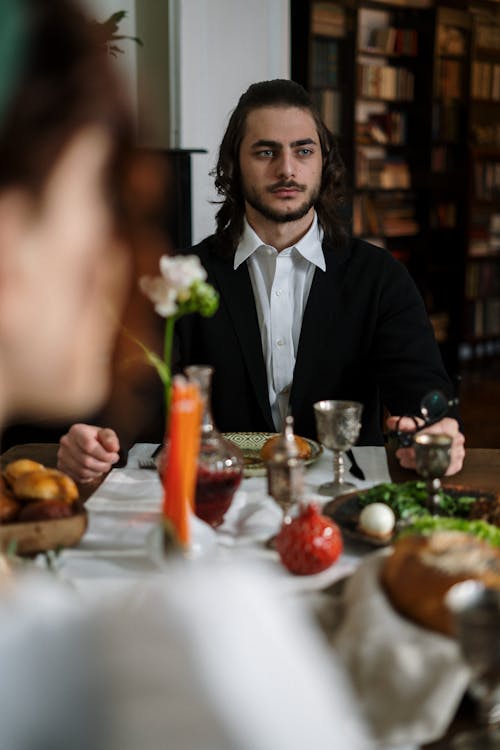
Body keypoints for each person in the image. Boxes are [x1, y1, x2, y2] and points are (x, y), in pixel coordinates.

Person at [58, 78, 465, 483]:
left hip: (343, 498)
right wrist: (96, 438)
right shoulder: (181, 277)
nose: (287, 169)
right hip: (213, 497)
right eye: (265, 151)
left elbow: (422, 393)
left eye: (303, 151)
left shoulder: (380, 276)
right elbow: (132, 395)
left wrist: (434, 430)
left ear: (324, 161)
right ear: (234, 165)